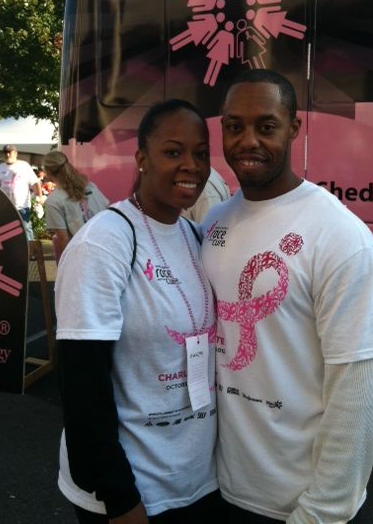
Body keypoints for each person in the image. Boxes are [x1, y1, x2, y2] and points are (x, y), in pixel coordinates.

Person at [200, 69, 373, 524]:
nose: (248, 140)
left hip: (296, 506)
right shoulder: (214, 222)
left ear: (293, 129)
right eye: (234, 126)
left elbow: (360, 388)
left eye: (266, 126)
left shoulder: (338, 235)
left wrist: (322, 512)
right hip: (216, 487)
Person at [55, 99, 224, 524]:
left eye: (201, 153)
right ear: (142, 159)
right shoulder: (104, 243)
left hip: (196, 481)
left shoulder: (193, 235)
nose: (191, 165)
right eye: (173, 151)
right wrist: (120, 499)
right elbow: (82, 384)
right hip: (131, 492)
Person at [43, 150, 109, 261]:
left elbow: (64, 240)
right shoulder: (90, 187)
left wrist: (67, 265)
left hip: (84, 257)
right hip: (107, 247)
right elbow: (107, 211)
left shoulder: (53, 201)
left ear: (47, 171)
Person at [0, 144, 43, 240]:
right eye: (5, 152)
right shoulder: (1, 167)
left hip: (22, 206)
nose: (8, 155)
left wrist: (39, 198)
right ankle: (11, 249)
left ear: (16, 153)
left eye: (10, 152)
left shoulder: (24, 166)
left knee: (26, 229)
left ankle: (30, 248)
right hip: (6, 207)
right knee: (7, 232)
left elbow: (35, 183)